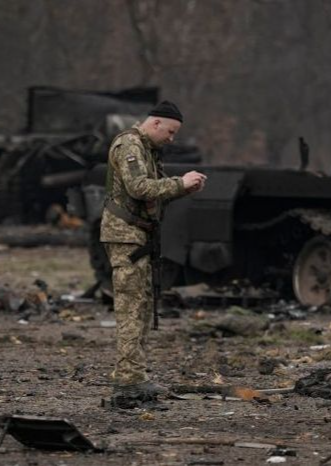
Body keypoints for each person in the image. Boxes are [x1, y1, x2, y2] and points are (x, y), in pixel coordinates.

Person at [100, 101, 206, 405]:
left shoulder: (146, 148)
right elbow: (139, 188)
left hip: (138, 235)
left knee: (141, 308)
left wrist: (181, 190)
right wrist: (179, 183)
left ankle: (135, 376)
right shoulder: (130, 144)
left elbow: (150, 196)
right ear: (156, 123)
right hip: (126, 237)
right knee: (132, 309)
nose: (171, 138)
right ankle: (128, 381)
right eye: (170, 131)